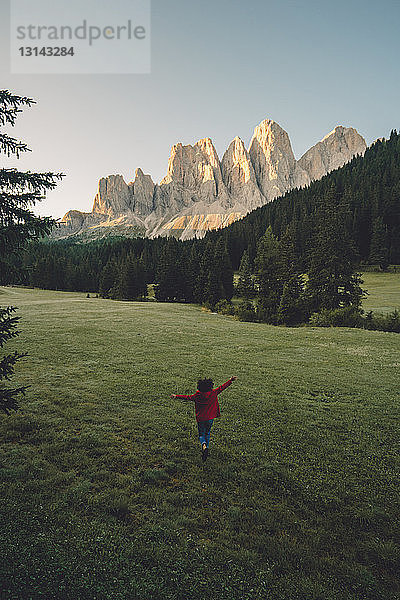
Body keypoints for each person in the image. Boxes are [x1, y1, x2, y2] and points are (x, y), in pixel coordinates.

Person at [171, 376, 238, 461]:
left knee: (201, 434)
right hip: (210, 418)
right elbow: (222, 387)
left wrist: (176, 396)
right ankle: (207, 448)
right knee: (207, 433)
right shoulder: (214, 393)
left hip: (201, 418)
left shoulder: (197, 396)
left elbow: (187, 397)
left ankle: (204, 445)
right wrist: (230, 380)